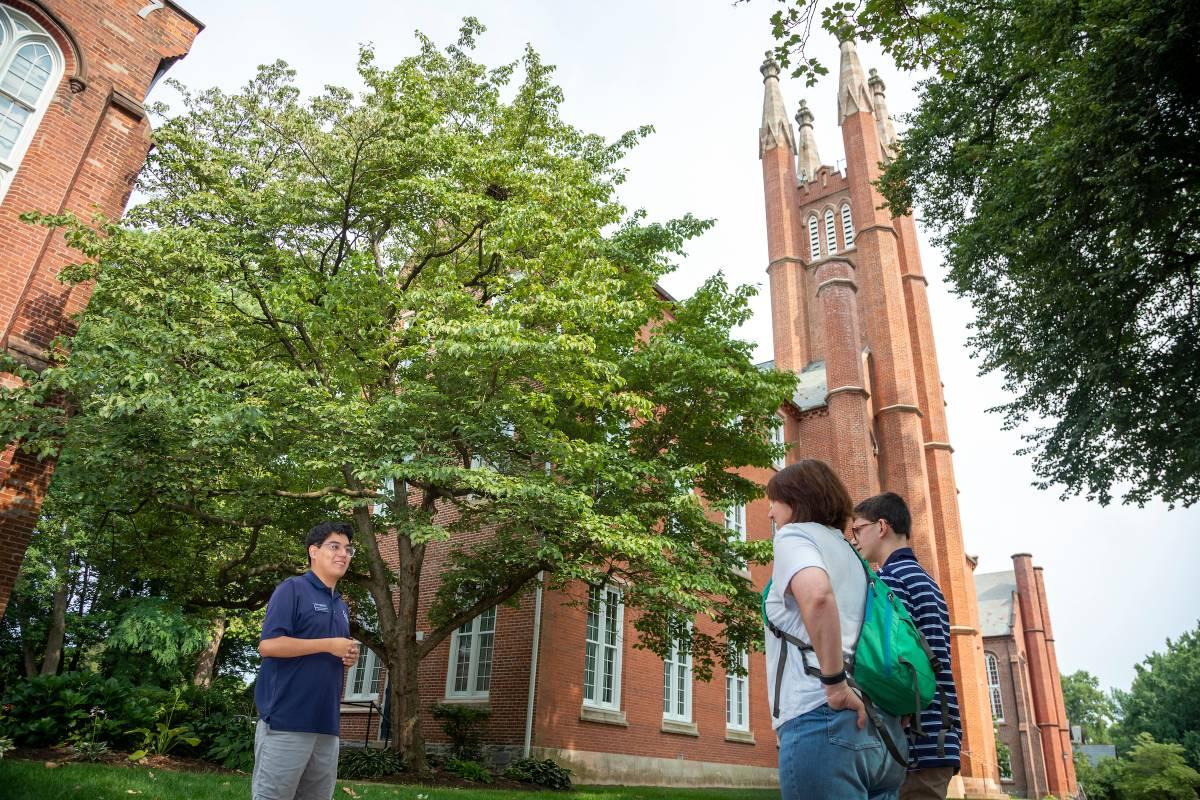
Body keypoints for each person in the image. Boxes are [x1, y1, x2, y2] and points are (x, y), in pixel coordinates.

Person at [764, 460, 908, 799]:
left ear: (796, 501)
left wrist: (835, 685)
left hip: (823, 720)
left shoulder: (794, 536)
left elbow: (817, 597)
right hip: (880, 735)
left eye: (774, 502)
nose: (770, 513)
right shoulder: (852, 554)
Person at [850, 493, 962, 800]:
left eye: (858, 529)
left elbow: (886, 663)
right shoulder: (926, 580)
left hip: (915, 738)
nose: (854, 538)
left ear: (881, 526)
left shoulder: (888, 581)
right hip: (940, 732)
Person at [253, 521, 360, 800]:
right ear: (314, 551)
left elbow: (325, 654)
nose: (343, 554)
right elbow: (268, 646)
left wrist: (346, 655)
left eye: (348, 549)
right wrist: (329, 645)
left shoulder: (341, 605)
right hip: (287, 720)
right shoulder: (293, 589)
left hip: (326, 724)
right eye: (334, 546)